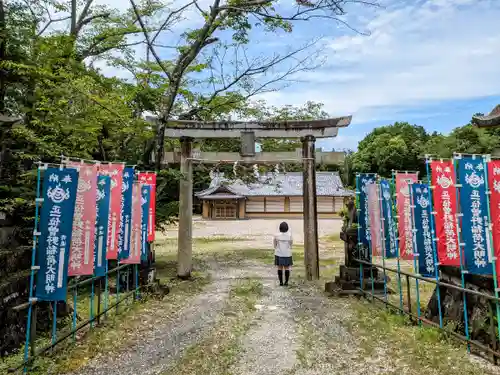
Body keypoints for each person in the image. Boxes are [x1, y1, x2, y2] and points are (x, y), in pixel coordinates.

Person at [273, 221, 293, 286]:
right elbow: (291, 244)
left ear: (280, 228)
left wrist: (276, 248)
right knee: (287, 268)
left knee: (280, 267)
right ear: (287, 228)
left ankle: (281, 282)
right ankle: (286, 282)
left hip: (279, 253)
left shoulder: (276, 235)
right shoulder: (289, 235)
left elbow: (275, 244)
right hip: (287, 254)